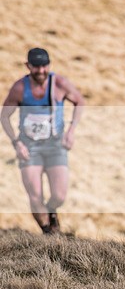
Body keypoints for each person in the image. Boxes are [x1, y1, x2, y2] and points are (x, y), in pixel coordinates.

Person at [1, 48, 85, 234]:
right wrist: (16, 142)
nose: (41, 71)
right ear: (28, 66)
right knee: (35, 195)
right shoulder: (20, 88)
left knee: (59, 195)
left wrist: (71, 131)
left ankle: (51, 211)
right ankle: (49, 233)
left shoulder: (59, 84)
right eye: (36, 67)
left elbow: (79, 101)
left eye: (44, 66)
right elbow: (4, 116)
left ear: (49, 65)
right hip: (29, 147)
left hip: (55, 145)